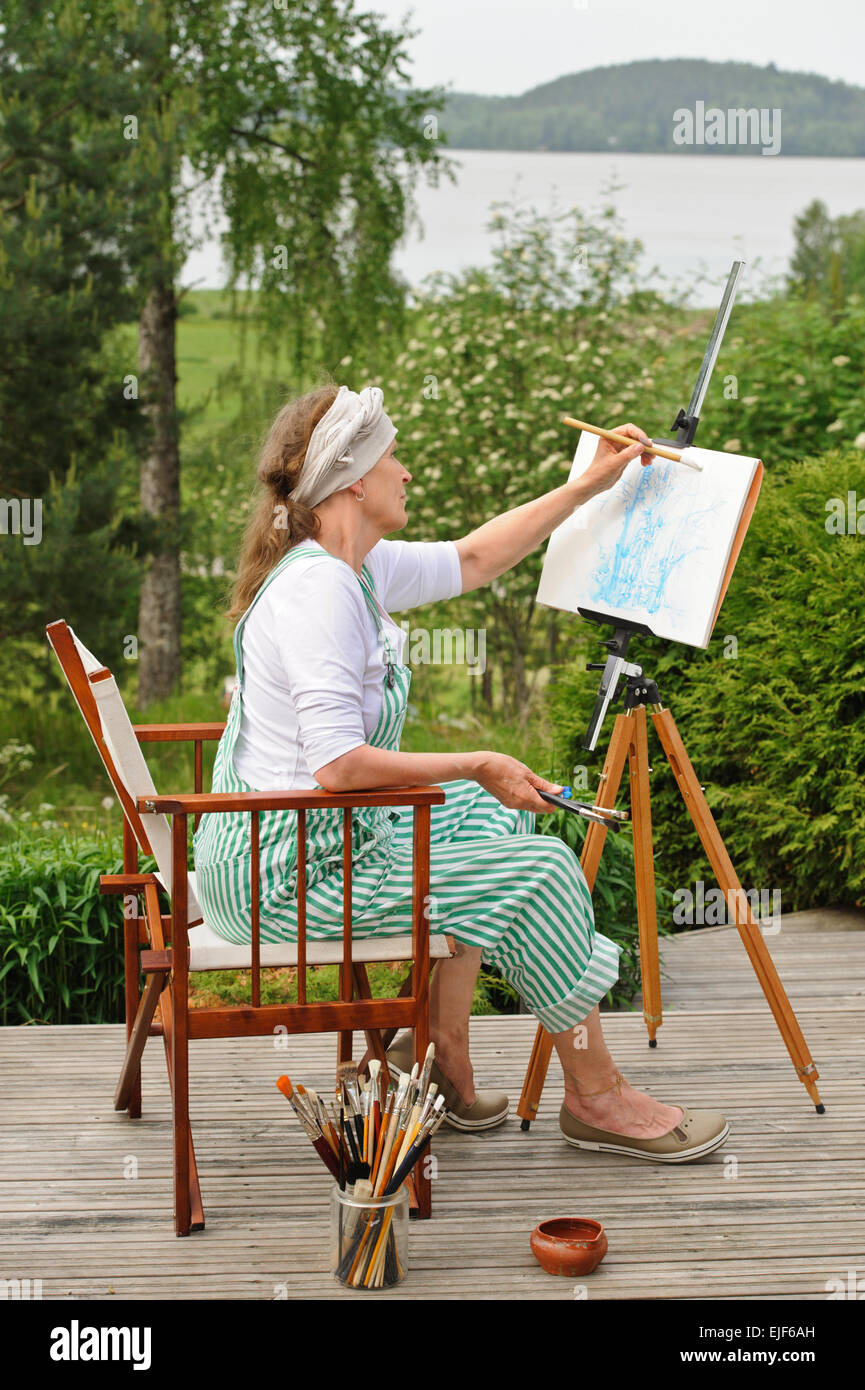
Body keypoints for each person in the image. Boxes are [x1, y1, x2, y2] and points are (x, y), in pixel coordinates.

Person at [193, 383, 729, 1163]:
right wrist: (478, 761)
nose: (405, 472)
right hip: (287, 877)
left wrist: (589, 485)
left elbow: (475, 558)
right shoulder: (319, 589)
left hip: (309, 837)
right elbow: (338, 766)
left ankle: (441, 1055)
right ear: (353, 481)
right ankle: (598, 1096)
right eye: (392, 458)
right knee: (540, 872)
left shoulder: (353, 568)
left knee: (488, 816)